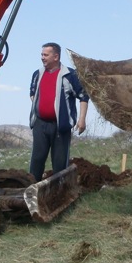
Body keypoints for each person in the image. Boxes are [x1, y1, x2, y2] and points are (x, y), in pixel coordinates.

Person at [29, 42, 89, 181]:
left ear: (56, 57)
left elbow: (83, 96)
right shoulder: (37, 74)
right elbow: (32, 94)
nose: (42, 57)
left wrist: (81, 120)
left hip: (60, 126)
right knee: (37, 160)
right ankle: (31, 192)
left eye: (46, 55)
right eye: (41, 54)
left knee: (59, 163)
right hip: (40, 124)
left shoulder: (69, 75)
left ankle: (59, 193)